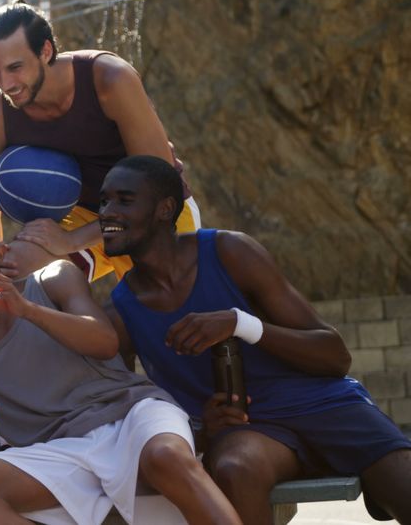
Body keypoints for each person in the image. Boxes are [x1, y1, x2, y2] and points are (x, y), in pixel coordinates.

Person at [103, 155, 411, 523]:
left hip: (323, 405)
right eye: (104, 201)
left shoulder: (231, 251)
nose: (106, 211)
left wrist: (240, 324)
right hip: (247, 429)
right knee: (235, 468)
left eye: (123, 200)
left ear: (165, 209)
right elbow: (123, 417)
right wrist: (200, 429)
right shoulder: (118, 313)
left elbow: (335, 356)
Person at [0, 199, 239, 525]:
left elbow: (105, 343)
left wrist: (23, 308)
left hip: (129, 418)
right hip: (61, 456)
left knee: (167, 458)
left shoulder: (53, 278)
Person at [0, 0, 201, 283]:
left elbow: (159, 185)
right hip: (84, 216)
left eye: (15, 67)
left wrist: (71, 241)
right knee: (15, 275)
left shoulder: (110, 79)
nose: (5, 83)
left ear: (45, 51)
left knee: (169, 317)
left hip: (153, 215)